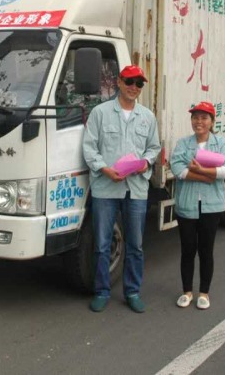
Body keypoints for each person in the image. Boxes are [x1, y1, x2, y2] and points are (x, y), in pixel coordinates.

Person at [82, 65, 161, 313]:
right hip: (106, 188)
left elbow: (154, 148)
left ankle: (132, 291)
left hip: (135, 189)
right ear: (119, 81)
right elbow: (89, 147)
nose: (133, 87)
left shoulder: (147, 117)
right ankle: (102, 291)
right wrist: (104, 169)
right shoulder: (100, 113)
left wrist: (145, 162)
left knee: (135, 245)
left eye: (139, 83)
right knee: (102, 244)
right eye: (129, 81)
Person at [169, 101, 225, 310]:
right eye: (195, 117)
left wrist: (202, 171)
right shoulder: (183, 144)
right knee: (187, 249)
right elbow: (177, 168)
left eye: (204, 118)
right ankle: (187, 292)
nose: (199, 122)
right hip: (187, 205)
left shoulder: (221, 144)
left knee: (206, 250)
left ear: (212, 121)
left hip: (211, 206)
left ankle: (204, 293)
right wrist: (208, 176)